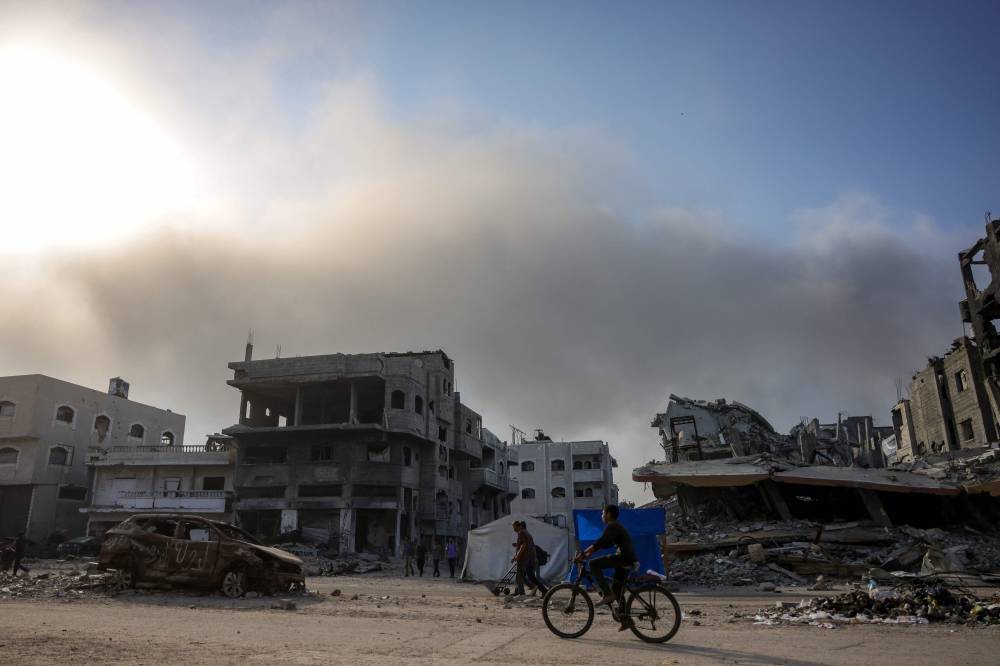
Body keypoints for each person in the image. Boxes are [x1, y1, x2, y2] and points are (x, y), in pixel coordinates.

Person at [576, 504, 636, 630]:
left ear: (608, 514)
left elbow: (600, 542)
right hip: (628, 558)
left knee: (593, 564)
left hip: (623, 557)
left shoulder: (612, 525)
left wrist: (583, 555)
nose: (602, 516)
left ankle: (607, 594)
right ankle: (626, 619)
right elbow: (606, 544)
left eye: (603, 513)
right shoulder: (615, 526)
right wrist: (587, 553)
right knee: (617, 589)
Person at [511, 520, 547, 596]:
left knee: (520, 576)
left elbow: (524, 545)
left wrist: (517, 556)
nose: (513, 529)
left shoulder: (521, 533)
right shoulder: (527, 533)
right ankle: (539, 589)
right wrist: (516, 550)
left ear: (518, 526)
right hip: (529, 559)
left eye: (514, 527)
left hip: (525, 559)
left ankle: (522, 593)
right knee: (527, 576)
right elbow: (525, 545)